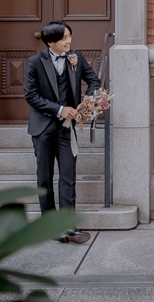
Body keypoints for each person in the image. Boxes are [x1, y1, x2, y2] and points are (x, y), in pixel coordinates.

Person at [23, 20, 101, 244]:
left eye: (70, 36)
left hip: (67, 130)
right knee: (44, 177)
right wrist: (59, 109)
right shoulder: (34, 62)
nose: (69, 41)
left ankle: (68, 226)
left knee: (68, 176)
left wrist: (87, 102)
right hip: (43, 127)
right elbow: (31, 96)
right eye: (64, 38)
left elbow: (93, 81)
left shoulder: (76, 57)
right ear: (50, 42)